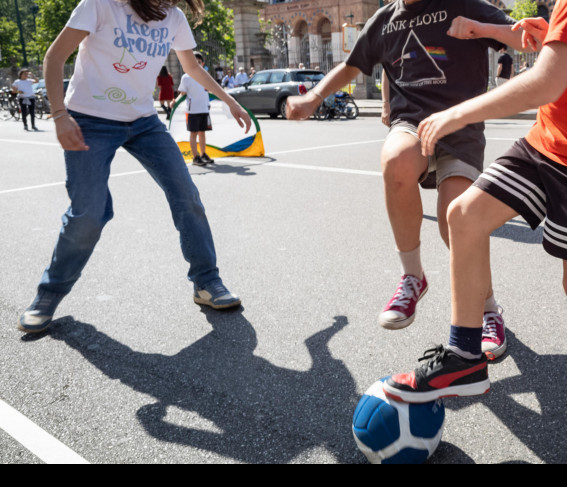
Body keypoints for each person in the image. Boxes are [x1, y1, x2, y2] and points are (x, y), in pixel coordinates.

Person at [382, 1, 567, 449]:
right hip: (546, 142)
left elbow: (547, 81)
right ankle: (465, 354)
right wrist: (542, 34)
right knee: (463, 216)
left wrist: (458, 112)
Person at [286, 0, 525, 358]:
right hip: (411, 122)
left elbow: (525, 39)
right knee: (395, 160)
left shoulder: (463, 5)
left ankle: (489, 309)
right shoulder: (385, 21)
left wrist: (483, 29)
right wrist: (315, 98)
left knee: (456, 220)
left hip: (460, 125)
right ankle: (413, 277)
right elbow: (352, 66)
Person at [17, 0, 252, 334]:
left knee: (187, 197)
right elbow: (55, 57)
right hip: (89, 119)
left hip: (144, 122)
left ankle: (206, 282)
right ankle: (48, 296)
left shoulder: (173, 16)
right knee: (90, 213)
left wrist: (230, 100)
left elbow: (193, 68)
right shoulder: (100, 5)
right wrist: (59, 116)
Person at [179, 52, 215, 166]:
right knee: (193, 133)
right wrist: (174, 101)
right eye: (194, 62)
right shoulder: (186, 77)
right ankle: (195, 157)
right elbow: (182, 93)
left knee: (202, 133)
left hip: (204, 108)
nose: (197, 65)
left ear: (203, 63)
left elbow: (211, 89)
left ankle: (203, 153)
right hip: (192, 110)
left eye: (199, 62)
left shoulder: (205, 75)